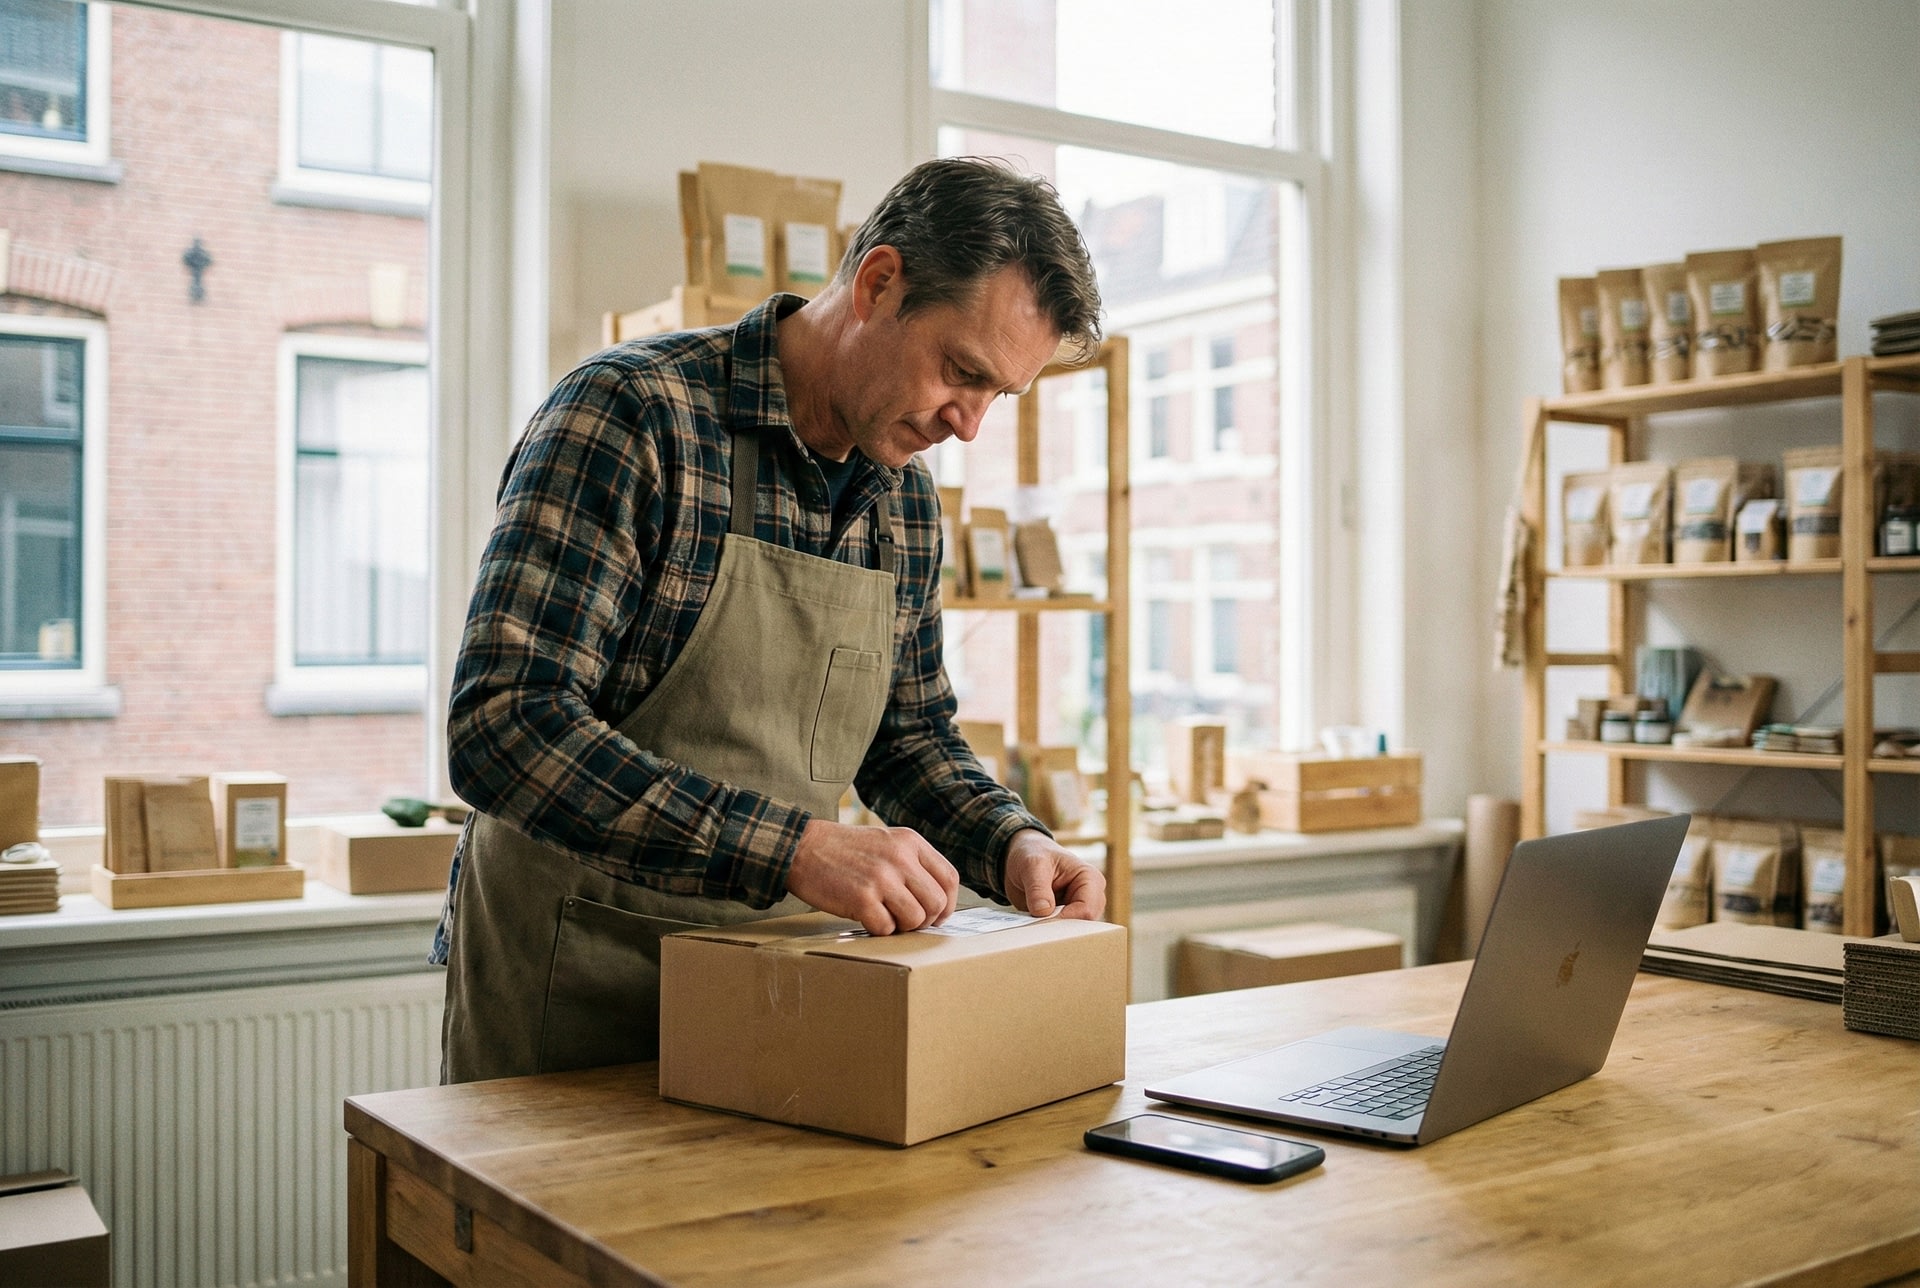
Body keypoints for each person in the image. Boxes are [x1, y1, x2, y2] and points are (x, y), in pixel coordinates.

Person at [433, 157, 1109, 1083]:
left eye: (1000, 394)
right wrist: (794, 848)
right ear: (879, 283)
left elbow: (907, 739)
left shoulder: (905, 504)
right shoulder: (634, 415)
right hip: (568, 986)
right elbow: (505, 727)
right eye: (963, 372)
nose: (970, 425)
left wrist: (1012, 840)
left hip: (768, 991)